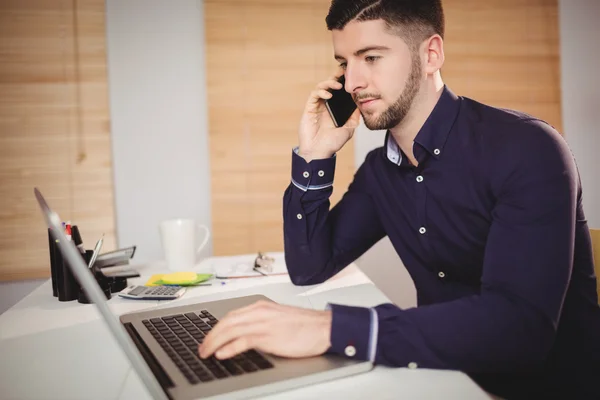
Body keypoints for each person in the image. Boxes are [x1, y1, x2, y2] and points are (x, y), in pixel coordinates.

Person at [199, 0, 600, 398]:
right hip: (440, 377)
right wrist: (315, 156)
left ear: (431, 55)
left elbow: (519, 329)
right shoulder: (380, 171)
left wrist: (330, 328)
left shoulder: (528, 149)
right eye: (343, 64)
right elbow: (309, 267)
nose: (352, 82)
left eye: (370, 57)